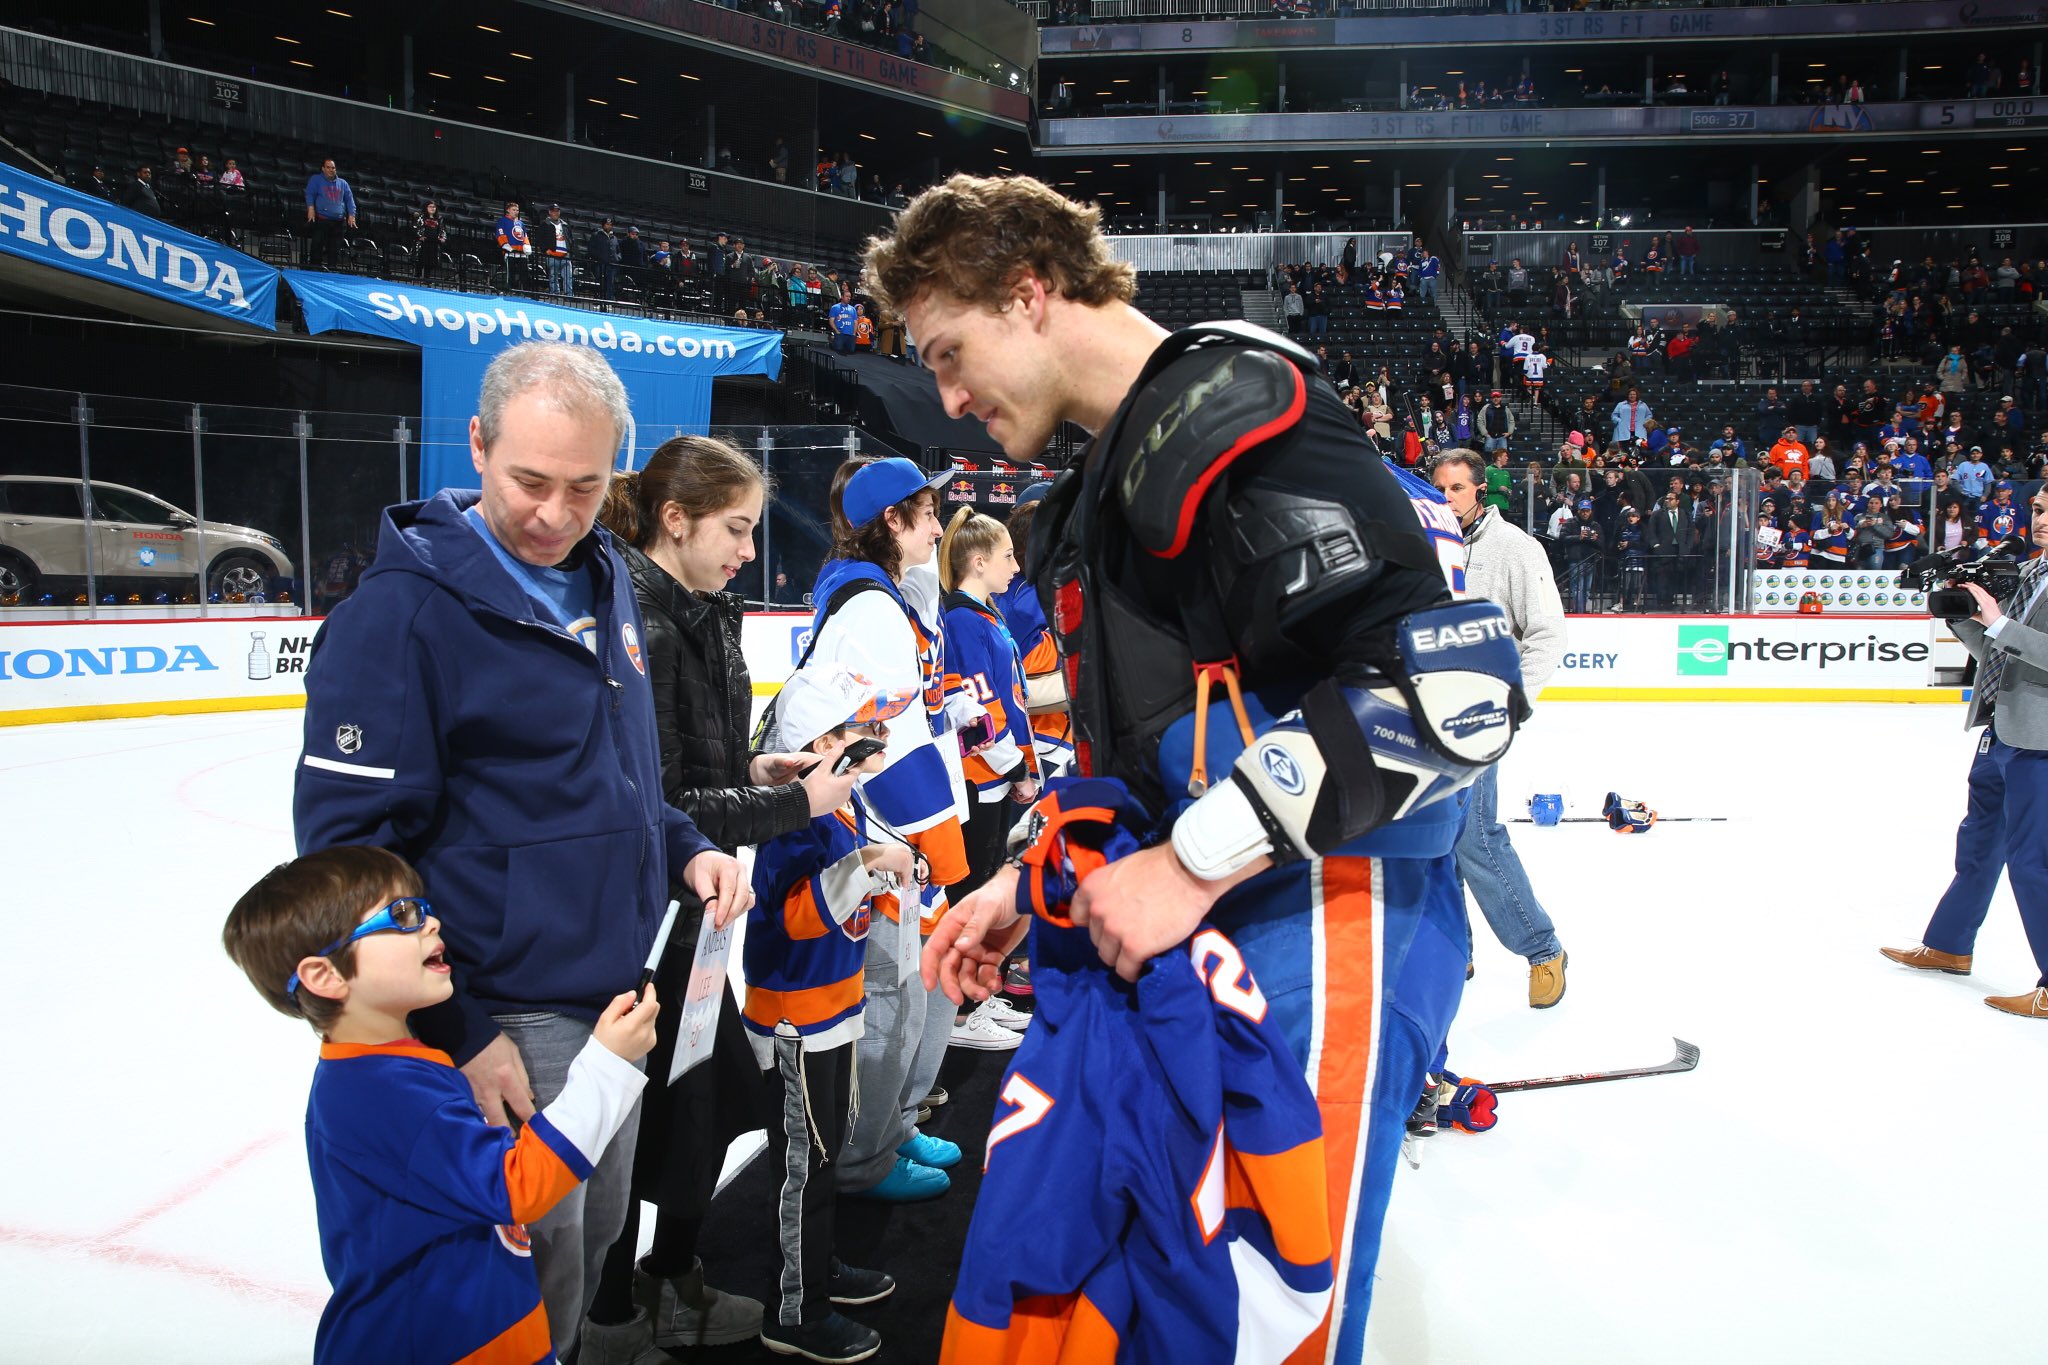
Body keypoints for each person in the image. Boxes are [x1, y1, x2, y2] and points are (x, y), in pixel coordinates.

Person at [869, 174, 1524, 1358]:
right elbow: (1159, 751)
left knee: (1266, 1323)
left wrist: (1190, 860)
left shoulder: (1234, 413)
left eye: (950, 351)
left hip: (1329, 918)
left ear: (1028, 293)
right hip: (1220, 929)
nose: (950, 398)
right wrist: (1035, 880)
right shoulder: (1097, 488)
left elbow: (1455, 698)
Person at [292, 343, 749, 1361]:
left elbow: (619, 774)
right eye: (528, 483)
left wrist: (679, 847)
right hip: (507, 1009)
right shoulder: (397, 618)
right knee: (527, 1283)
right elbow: (343, 864)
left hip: (610, 992)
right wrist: (459, 1029)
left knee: (583, 1267)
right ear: (476, 445)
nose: (554, 514)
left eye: (584, 488)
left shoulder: (603, 579)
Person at [589, 437, 867, 1353]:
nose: (751, 548)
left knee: (695, 1105)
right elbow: (664, 800)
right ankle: (616, 1312)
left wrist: (761, 765)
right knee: (639, 1121)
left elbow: (707, 762)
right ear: (677, 520)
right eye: (737, 528)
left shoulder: (705, 610)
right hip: (640, 918)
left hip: (698, 915)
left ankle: (670, 1280)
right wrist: (797, 800)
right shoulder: (638, 619)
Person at [221, 845, 658, 1365]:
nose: (431, 923)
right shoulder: (379, 1092)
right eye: (401, 916)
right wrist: (606, 1064)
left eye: (421, 907)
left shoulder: (395, 1064)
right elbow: (516, 1186)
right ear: (326, 976)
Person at [805, 457, 986, 1202]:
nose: (940, 526)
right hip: (884, 837)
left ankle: (890, 1129)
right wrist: (940, 847)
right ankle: (866, 1158)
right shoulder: (870, 607)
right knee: (888, 994)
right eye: (926, 510)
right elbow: (888, 742)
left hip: (893, 832)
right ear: (891, 520)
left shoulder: (886, 594)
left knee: (904, 995)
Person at [746, 664, 915, 1362]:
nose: (860, 747)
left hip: (833, 1011)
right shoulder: (789, 821)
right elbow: (793, 914)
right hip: (794, 1020)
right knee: (801, 1163)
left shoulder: (840, 810)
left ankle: (817, 1267)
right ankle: (795, 1306)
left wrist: (882, 864)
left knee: (825, 1151)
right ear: (810, 747)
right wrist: (864, 868)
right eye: (844, 735)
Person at [1883, 489, 2048, 1018]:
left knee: (2032, 864)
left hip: (2040, 741)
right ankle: (1950, 944)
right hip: (2000, 728)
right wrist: (1960, 617)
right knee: (1978, 842)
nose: (2036, 518)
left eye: (2045, 510)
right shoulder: (2029, 571)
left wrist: (1998, 621)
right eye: (2037, 508)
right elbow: (1999, 652)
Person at [1432, 451, 1570, 1005]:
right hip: (1430, 713)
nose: (1447, 499)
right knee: (1437, 839)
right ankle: (1457, 950)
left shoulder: (1514, 548)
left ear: (1479, 490)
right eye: (1439, 488)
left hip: (1482, 714)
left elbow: (1548, 635)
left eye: (1457, 489)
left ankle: (1543, 950)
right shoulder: (1430, 545)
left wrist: (1511, 706)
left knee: (1477, 837)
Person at [939, 510, 1041, 897]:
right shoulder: (964, 620)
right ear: (979, 563)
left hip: (994, 776)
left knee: (989, 885)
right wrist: (1016, 768)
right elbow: (977, 710)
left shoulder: (984, 614)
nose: (1016, 566)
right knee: (973, 893)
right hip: (979, 777)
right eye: (1008, 556)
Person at [303, 158, 355, 270]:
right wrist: (310, 209)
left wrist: (352, 214)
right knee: (317, 247)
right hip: (322, 219)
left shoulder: (343, 183)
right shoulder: (316, 179)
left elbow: (349, 199)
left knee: (334, 250)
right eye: (328, 167)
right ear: (323, 169)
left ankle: (332, 271)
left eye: (333, 168)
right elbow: (309, 194)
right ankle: (314, 270)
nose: (331, 170)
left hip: (338, 222)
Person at [495, 201, 533, 289]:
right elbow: (500, 233)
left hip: (521, 253)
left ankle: (526, 291)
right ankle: (510, 290)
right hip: (510, 252)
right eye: (514, 210)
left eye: (517, 210)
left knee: (524, 273)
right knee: (510, 273)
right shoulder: (502, 220)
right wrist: (504, 244)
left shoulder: (521, 223)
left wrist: (526, 245)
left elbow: (525, 236)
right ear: (508, 210)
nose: (516, 211)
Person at [539, 204, 574, 297]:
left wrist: (569, 250)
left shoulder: (565, 225)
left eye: (557, 211)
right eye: (553, 211)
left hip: (565, 254)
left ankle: (569, 295)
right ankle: (555, 294)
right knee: (553, 276)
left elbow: (570, 239)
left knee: (568, 276)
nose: (555, 213)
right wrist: (545, 250)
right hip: (552, 254)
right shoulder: (545, 224)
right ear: (550, 212)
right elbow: (540, 239)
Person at [413, 201, 447, 281]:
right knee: (420, 260)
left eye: (434, 207)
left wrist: (443, 238)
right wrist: (420, 236)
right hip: (423, 242)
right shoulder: (421, 217)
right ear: (426, 207)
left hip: (434, 242)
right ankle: (417, 277)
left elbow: (442, 229)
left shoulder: (439, 218)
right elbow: (416, 227)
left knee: (430, 262)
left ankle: (427, 279)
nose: (432, 208)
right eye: (430, 206)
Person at [588, 217, 620, 300]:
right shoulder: (596, 235)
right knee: (600, 282)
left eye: (610, 225)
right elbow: (591, 249)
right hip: (600, 264)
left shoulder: (614, 238)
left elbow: (618, 250)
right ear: (603, 225)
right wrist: (599, 257)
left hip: (612, 265)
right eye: (607, 224)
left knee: (610, 283)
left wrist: (617, 258)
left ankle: (609, 300)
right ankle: (598, 299)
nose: (609, 226)